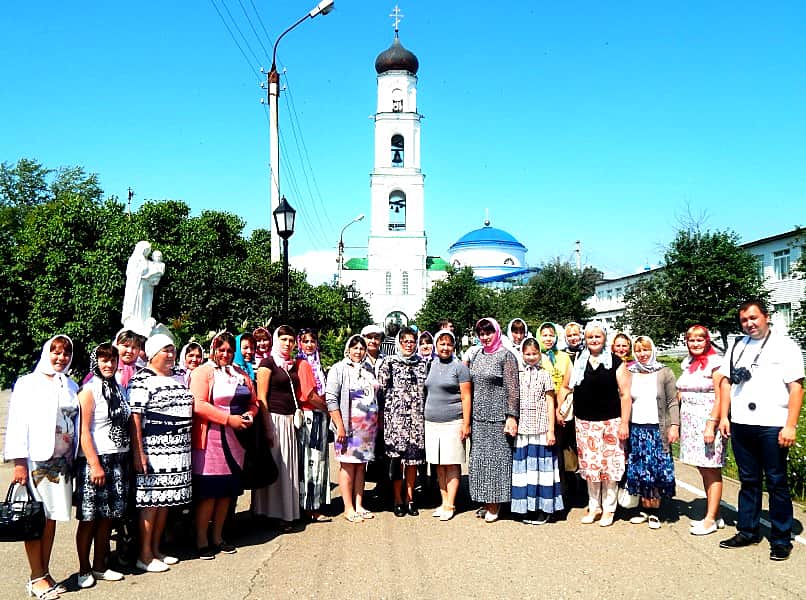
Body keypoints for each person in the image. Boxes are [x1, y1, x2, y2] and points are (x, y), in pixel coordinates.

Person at [718, 299, 804, 561]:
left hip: (772, 423)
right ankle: (748, 530)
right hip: (743, 422)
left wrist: (790, 425)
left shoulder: (785, 345)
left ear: (766, 317)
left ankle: (781, 538)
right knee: (749, 480)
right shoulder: (737, 345)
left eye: (754, 318)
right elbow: (725, 381)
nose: (749, 324)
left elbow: (797, 387)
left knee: (776, 481)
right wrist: (724, 416)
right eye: (744, 320)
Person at [5, 335, 80, 600]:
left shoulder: (70, 384)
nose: (61, 358)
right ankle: (35, 577)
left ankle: (45, 572)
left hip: (62, 465)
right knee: (34, 520)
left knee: (51, 519)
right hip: (37, 461)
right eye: (57, 352)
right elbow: (17, 423)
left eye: (67, 353)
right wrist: (19, 464)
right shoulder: (28, 383)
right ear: (47, 352)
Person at [128, 332, 193, 573]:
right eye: (165, 350)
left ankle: (156, 549)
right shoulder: (141, 380)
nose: (170, 354)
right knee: (151, 502)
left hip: (177, 452)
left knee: (165, 501)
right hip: (154, 450)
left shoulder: (178, 378)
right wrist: (139, 452)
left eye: (172, 349)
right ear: (153, 354)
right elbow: (135, 417)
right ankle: (144, 554)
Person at [189, 333, 257, 559]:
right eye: (221, 350)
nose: (225, 354)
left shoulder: (240, 372)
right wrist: (229, 419)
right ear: (213, 350)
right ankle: (200, 538)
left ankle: (218, 536)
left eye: (229, 350)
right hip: (211, 440)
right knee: (210, 494)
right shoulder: (203, 372)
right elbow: (198, 404)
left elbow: (254, 401)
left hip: (237, 440)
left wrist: (250, 414)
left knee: (227, 493)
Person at [558, 322, 631, 527]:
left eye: (598, 336)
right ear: (585, 339)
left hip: (611, 421)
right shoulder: (578, 361)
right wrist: (559, 409)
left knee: (610, 467)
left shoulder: (616, 362)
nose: (594, 340)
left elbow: (625, 395)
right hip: (585, 422)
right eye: (590, 337)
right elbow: (565, 387)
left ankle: (609, 508)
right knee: (591, 467)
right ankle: (594, 506)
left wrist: (624, 422)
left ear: (604, 338)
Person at [74, 344, 131, 588]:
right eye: (103, 360)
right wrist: (94, 464)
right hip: (96, 460)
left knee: (109, 516)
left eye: (112, 360)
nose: (108, 364)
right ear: (95, 361)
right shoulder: (89, 390)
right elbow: (83, 430)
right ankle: (84, 568)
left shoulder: (117, 387)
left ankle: (100, 565)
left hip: (119, 458)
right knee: (90, 518)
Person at [251, 325, 312, 527]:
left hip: (289, 420)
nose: (287, 344)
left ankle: (285, 511)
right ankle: (270, 513)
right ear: (277, 340)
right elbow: (261, 396)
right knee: (276, 465)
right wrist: (268, 425)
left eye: (291, 340)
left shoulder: (291, 364)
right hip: (274, 419)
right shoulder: (268, 363)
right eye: (284, 339)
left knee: (287, 468)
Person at [467, 318, 519, 523]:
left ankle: (495, 504)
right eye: (481, 333)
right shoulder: (477, 354)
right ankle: (485, 500)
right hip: (479, 417)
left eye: (488, 333)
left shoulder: (506, 356)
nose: (485, 337)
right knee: (480, 461)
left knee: (498, 463)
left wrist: (512, 416)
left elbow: (513, 388)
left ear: (496, 332)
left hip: (498, 417)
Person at [677, 324, 727, 535]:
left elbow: (721, 395)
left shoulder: (716, 363)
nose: (695, 343)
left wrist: (711, 424)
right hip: (690, 422)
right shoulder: (687, 362)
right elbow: (681, 391)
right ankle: (714, 512)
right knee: (702, 467)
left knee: (711, 468)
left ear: (707, 341)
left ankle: (710, 520)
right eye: (691, 340)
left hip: (707, 422)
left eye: (700, 339)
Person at [624, 336, 678, 529]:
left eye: (646, 349)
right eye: (638, 350)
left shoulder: (664, 372)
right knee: (640, 470)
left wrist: (675, 426)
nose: (642, 354)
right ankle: (643, 509)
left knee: (656, 470)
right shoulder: (631, 372)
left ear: (652, 350)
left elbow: (672, 401)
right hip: (637, 428)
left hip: (657, 429)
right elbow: (625, 399)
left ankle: (654, 511)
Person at [326, 335, 380, 522]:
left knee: (361, 466)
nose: (358, 351)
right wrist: (340, 426)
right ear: (348, 349)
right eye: (354, 348)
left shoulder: (368, 369)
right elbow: (331, 398)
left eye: (361, 348)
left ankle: (359, 504)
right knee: (348, 466)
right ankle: (348, 507)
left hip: (366, 429)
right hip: (348, 428)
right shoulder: (339, 369)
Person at [377, 327, 428, 517]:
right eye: (405, 341)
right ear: (399, 343)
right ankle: (397, 499)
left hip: (416, 420)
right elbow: (380, 390)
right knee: (397, 463)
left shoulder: (422, 364)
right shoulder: (389, 363)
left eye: (412, 341)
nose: (409, 344)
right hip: (395, 420)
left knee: (413, 462)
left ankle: (410, 498)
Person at [512, 337, 563, 525]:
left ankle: (544, 508)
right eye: (527, 354)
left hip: (541, 428)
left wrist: (551, 430)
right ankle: (525, 507)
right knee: (524, 471)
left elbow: (551, 402)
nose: (531, 357)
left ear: (539, 354)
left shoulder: (545, 374)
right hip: (523, 429)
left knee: (542, 471)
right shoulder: (518, 374)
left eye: (534, 353)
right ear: (522, 354)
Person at [424, 329, 471, 521]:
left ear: (454, 346)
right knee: (438, 464)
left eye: (449, 344)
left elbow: (467, 396)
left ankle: (451, 504)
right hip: (432, 422)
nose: (445, 347)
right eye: (441, 344)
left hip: (453, 421)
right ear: (436, 345)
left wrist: (466, 423)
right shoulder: (430, 365)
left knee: (451, 463)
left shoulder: (460, 367)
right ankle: (443, 501)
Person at [295, 328, 332, 521]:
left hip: (319, 414)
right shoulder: (303, 365)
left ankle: (316, 503)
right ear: (299, 343)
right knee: (311, 462)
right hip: (311, 415)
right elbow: (308, 394)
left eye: (312, 341)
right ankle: (310, 507)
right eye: (305, 341)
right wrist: (328, 407)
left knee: (320, 461)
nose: (309, 345)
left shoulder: (316, 364)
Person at [538, 322, 575, 501]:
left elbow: (567, 385)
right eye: (544, 335)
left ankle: (563, 493)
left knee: (560, 451)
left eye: (551, 335)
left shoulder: (564, 357)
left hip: (562, 409)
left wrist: (558, 409)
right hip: (541, 410)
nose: (547, 338)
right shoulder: (536, 356)